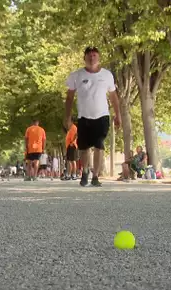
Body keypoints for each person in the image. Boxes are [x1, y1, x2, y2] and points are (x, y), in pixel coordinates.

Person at [64, 46, 121, 187]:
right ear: (84, 58)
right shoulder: (76, 76)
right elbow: (70, 97)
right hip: (84, 117)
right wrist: (67, 116)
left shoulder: (107, 75)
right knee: (84, 147)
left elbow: (113, 96)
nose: (91, 58)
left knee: (99, 144)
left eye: (94, 55)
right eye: (89, 55)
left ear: (98, 57)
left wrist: (118, 114)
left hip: (102, 116)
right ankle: (85, 172)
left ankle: (95, 176)